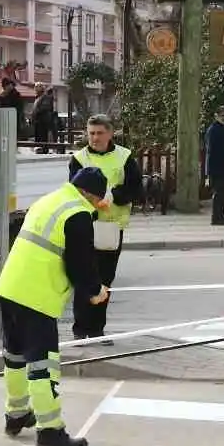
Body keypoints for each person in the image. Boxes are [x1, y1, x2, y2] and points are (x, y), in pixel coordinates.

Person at [0, 167, 109, 446]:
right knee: (42, 364)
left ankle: (16, 414)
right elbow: (80, 264)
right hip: (37, 297)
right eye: (98, 201)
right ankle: (50, 433)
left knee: (15, 356)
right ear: (93, 195)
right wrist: (95, 292)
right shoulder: (78, 214)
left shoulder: (49, 200)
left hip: (10, 287)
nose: (97, 206)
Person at [67, 115, 141, 341]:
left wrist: (114, 195)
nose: (95, 138)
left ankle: (97, 329)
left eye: (99, 133)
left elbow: (135, 189)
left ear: (110, 134)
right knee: (83, 277)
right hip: (85, 226)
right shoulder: (79, 158)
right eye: (91, 133)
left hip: (111, 227)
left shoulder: (125, 157)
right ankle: (80, 329)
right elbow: (73, 191)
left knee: (105, 280)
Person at [31, 84, 58, 153]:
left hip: (43, 121)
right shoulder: (37, 98)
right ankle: (39, 148)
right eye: (35, 88)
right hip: (38, 121)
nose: (35, 89)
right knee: (38, 136)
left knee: (43, 136)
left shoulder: (45, 97)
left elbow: (45, 107)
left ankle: (44, 149)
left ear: (41, 89)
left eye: (37, 88)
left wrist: (37, 111)